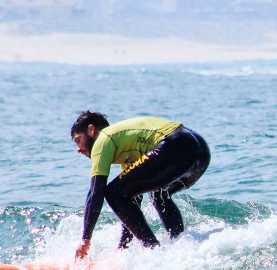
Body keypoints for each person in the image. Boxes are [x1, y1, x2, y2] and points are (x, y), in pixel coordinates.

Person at [70, 111, 210, 259]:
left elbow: (95, 192)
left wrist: (85, 239)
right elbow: (131, 205)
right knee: (158, 194)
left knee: (112, 192)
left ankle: (153, 251)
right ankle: (181, 245)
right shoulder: (125, 147)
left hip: (176, 145)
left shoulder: (103, 139)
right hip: (199, 151)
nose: (78, 149)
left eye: (78, 140)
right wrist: (124, 246)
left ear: (91, 130)